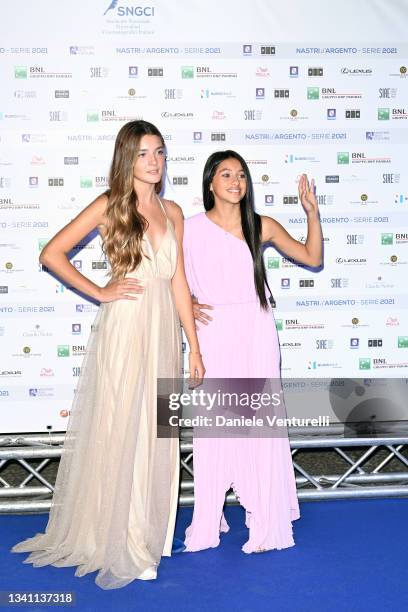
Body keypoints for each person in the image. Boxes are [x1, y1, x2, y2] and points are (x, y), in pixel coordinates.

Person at [11, 120, 205, 588]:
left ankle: (142, 532)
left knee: (158, 432)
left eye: (159, 151)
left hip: (163, 334)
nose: (154, 161)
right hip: (125, 327)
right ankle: (114, 537)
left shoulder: (173, 210)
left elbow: (178, 281)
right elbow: (51, 253)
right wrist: (100, 291)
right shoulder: (109, 205)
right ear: (126, 158)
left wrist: (193, 347)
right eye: (143, 153)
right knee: (121, 425)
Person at [182, 150, 322, 553]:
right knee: (216, 423)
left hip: (256, 330)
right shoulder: (189, 229)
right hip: (213, 333)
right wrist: (186, 303)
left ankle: (264, 518)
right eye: (226, 174)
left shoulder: (260, 225)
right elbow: (168, 278)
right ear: (210, 183)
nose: (235, 181)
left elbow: (312, 257)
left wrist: (311, 213)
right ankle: (209, 518)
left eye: (241, 175)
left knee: (258, 423)